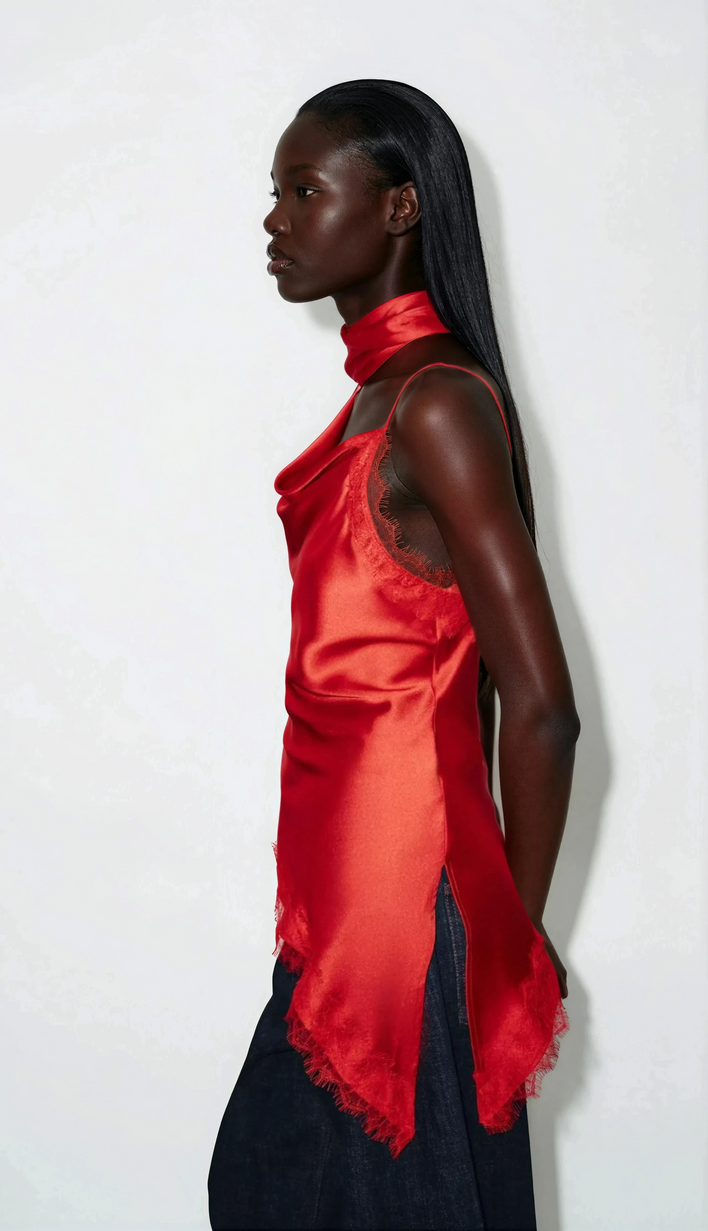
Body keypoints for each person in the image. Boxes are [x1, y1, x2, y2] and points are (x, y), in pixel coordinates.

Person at [207, 79, 579, 1231]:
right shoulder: (382, 397)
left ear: (401, 207)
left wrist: (505, 933)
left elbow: (542, 704)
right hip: (342, 905)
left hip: (407, 922)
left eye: (304, 189)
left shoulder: (436, 404)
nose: (277, 218)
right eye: (274, 193)